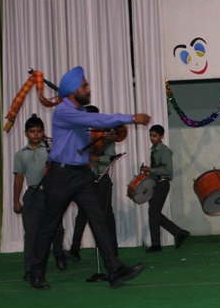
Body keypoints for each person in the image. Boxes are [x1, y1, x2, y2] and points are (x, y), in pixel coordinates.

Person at [26, 66, 151, 290]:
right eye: (84, 86)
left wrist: (103, 138)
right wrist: (131, 118)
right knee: (49, 226)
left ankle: (114, 270)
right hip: (61, 175)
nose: (89, 89)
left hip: (81, 174)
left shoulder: (77, 111)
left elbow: (86, 138)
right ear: (74, 91)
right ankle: (36, 274)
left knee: (98, 219)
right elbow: (98, 119)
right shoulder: (65, 112)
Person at [13, 114, 67, 281]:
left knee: (56, 229)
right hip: (33, 194)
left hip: (51, 193)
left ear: (43, 132)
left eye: (38, 131)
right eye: (32, 131)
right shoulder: (21, 154)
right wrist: (16, 200)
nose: (35, 134)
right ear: (26, 133)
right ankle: (30, 269)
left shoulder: (51, 150)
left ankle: (59, 255)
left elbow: (63, 169)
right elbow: (19, 178)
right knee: (31, 233)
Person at [66, 105, 119, 263]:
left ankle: (112, 250)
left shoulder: (106, 136)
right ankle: (74, 250)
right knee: (82, 214)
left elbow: (110, 158)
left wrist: (95, 158)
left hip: (101, 179)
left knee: (106, 215)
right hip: (85, 180)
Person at [144, 124, 190, 252]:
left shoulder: (165, 151)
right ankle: (177, 233)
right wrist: (148, 172)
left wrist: (151, 170)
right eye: (150, 135)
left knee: (153, 213)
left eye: (155, 136)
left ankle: (158, 243)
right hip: (155, 184)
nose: (152, 138)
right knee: (154, 213)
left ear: (161, 137)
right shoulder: (154, 150)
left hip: (162, 184)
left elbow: (168, 170)